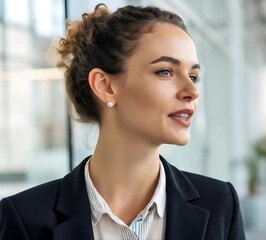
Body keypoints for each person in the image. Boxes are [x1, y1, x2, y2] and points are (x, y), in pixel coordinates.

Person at [0, 4, 245, 240]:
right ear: (106, 86)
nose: (192, 90)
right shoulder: (25, 219)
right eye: (165, 71)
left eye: (194, 76)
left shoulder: (221, 204)